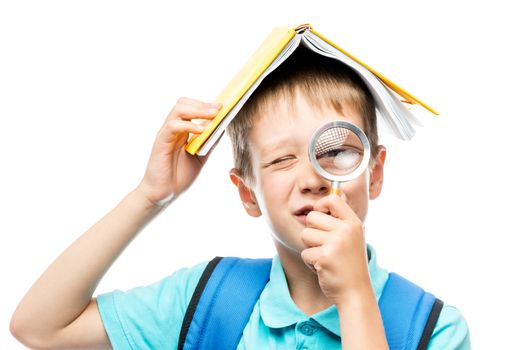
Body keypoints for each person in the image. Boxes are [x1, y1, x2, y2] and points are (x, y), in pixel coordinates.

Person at [10, 45, 471, 349]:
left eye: (336, 151)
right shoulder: (206, 299)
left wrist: (354, 297)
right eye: (280, 160)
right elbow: (40, 327)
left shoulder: (434, 330)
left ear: (374, 173)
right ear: (248, 194)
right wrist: (150, 195)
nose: (312, 178)